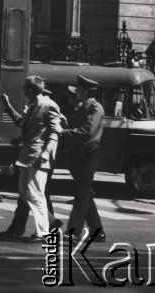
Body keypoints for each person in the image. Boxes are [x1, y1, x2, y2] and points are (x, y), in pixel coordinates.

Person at [0, 76, 62, 240]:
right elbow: (22, 123)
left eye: (25, 87)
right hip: (27, 156)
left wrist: (47, 153)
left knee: (35, 194)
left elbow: (55, 133)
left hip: (39, 156)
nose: (23, 90)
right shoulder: (32, 106)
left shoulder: (49, 105)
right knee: (24, 192)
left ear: (32, 90)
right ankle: (51, 222)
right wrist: (7, 105)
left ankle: (44, 230)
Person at [62, 75, 106, 242]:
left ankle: (73, 232)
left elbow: (87, 130)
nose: (76, 91)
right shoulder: (82, 107)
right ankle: (97, 231)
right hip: (79, 154)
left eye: (79, 89)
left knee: (81, 193)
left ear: (86, 91)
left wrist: (65, 132)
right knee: (85, 193)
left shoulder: (95, 108)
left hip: (89, 154)